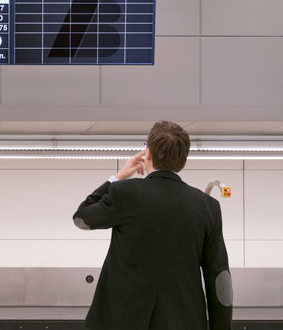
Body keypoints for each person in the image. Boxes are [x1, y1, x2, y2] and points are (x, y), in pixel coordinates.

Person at [73, 121, 232, 330]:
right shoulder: (207, 206)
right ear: (183, 160)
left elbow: (82, 218)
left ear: (147, 153)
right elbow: (219, 278)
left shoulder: (125, 193)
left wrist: (118, 177)